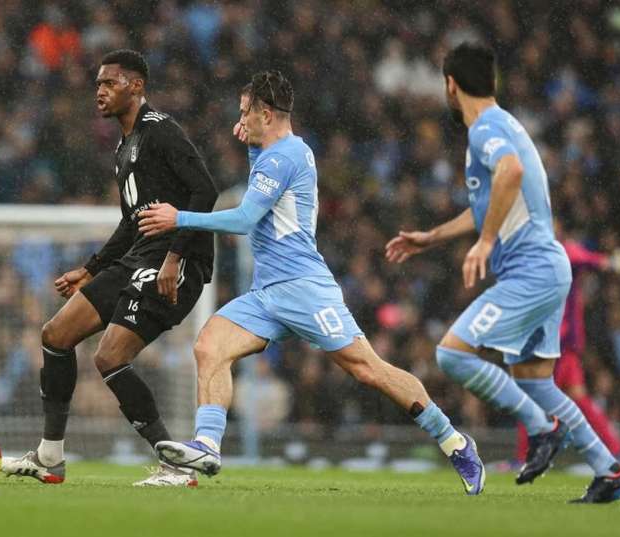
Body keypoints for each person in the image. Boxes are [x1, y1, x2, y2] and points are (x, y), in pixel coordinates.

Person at [138, 70, 486, 495]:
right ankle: (207, 446)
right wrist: (250, 148)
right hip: (267, 293)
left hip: (304, 287)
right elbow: (260, 197)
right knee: (209, 345)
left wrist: (180, 217)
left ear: (266, 113)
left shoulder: (285, 157)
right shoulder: (273, 152)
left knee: (368, 369)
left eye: (245, 112)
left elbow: (246, 219)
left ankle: (455, 442)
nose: (240, 119)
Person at [385, 43, 620, 503]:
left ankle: (542, 429)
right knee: (536, 381)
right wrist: (431, 237)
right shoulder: (504, 125)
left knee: (452, 354)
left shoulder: (486, 130)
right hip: (547, 267)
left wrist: (484, 243)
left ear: (450, 85)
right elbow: (487, 204)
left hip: (531, 270)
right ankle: (611, 471)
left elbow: (511, 172)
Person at [1, 49, 218, 487]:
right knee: (55, 335)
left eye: (110, 83)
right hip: (137, 257)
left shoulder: (160, 131)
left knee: (109, 356)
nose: (100, 92)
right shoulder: (124, 146)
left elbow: (205, 192)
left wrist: (176, 258)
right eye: (98, 84)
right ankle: (49, 457)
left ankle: (177, 467)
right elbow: (130, 221)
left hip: (175, 262)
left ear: (136, 86)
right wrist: (91, 268)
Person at [514, 221, 620, 464]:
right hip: (558, 344)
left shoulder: (561, 252)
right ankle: (617, 449)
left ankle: (525, 457)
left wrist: (609, 263)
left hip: (556, 345)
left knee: (531, 397)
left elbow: (585, 258)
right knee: (577, 398)